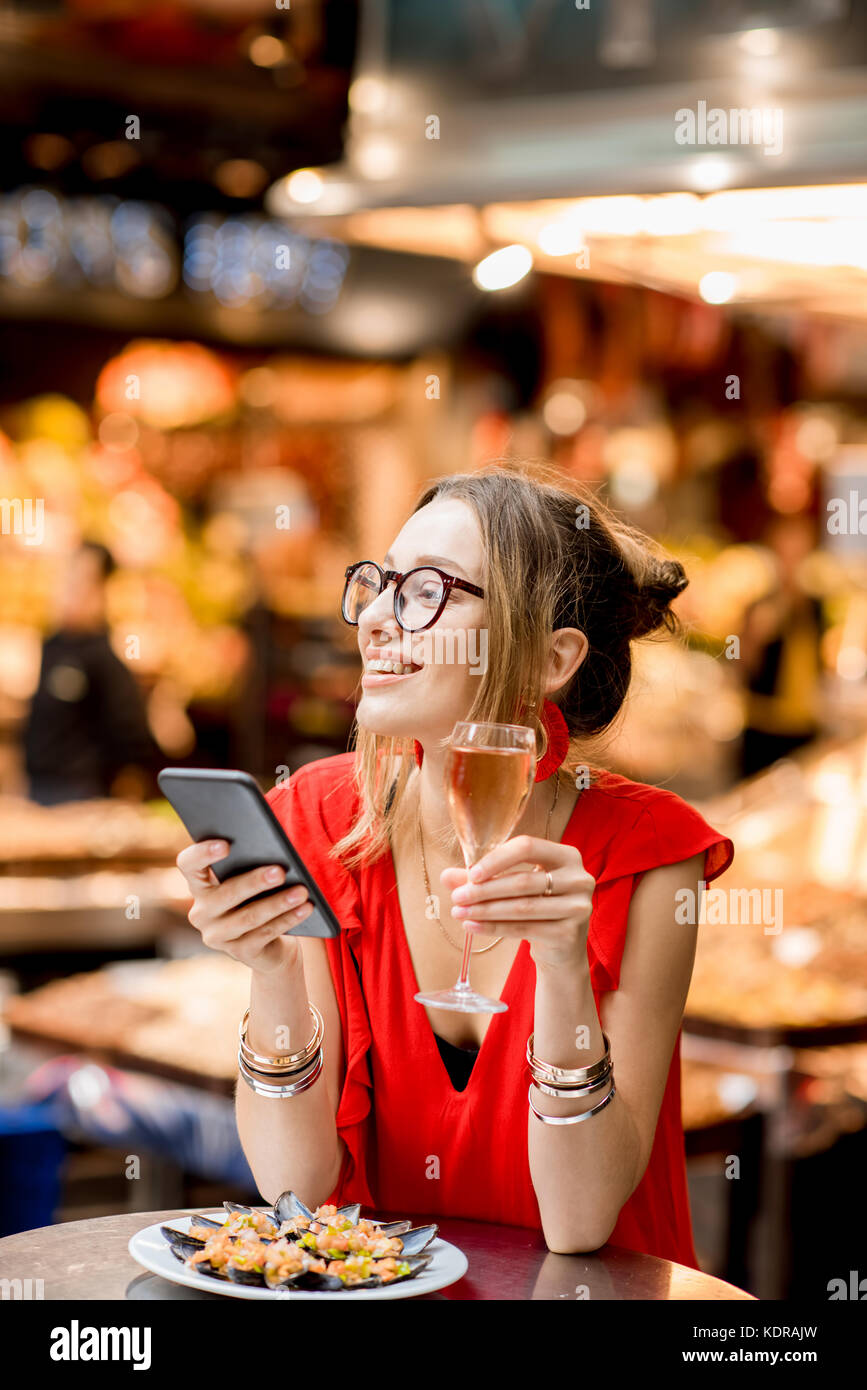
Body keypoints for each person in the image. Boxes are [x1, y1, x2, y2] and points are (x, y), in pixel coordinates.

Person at [178, 465, 733, 1265]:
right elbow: (290, 1180)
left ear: (551, 658)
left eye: (426, 590)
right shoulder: (322, 820)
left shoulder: (650, 857)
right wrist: (270, 971)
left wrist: (563, 969)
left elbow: (578, 1223)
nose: (374, 617)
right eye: (377, 584)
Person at [23, 541, 161, 804]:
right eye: (66, 579)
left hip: (84, 794)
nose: (68, 591)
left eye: (81, 582)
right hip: (40, 789)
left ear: (102, 590)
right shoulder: (52, 646)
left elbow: (130, 734)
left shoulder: (106, 656)